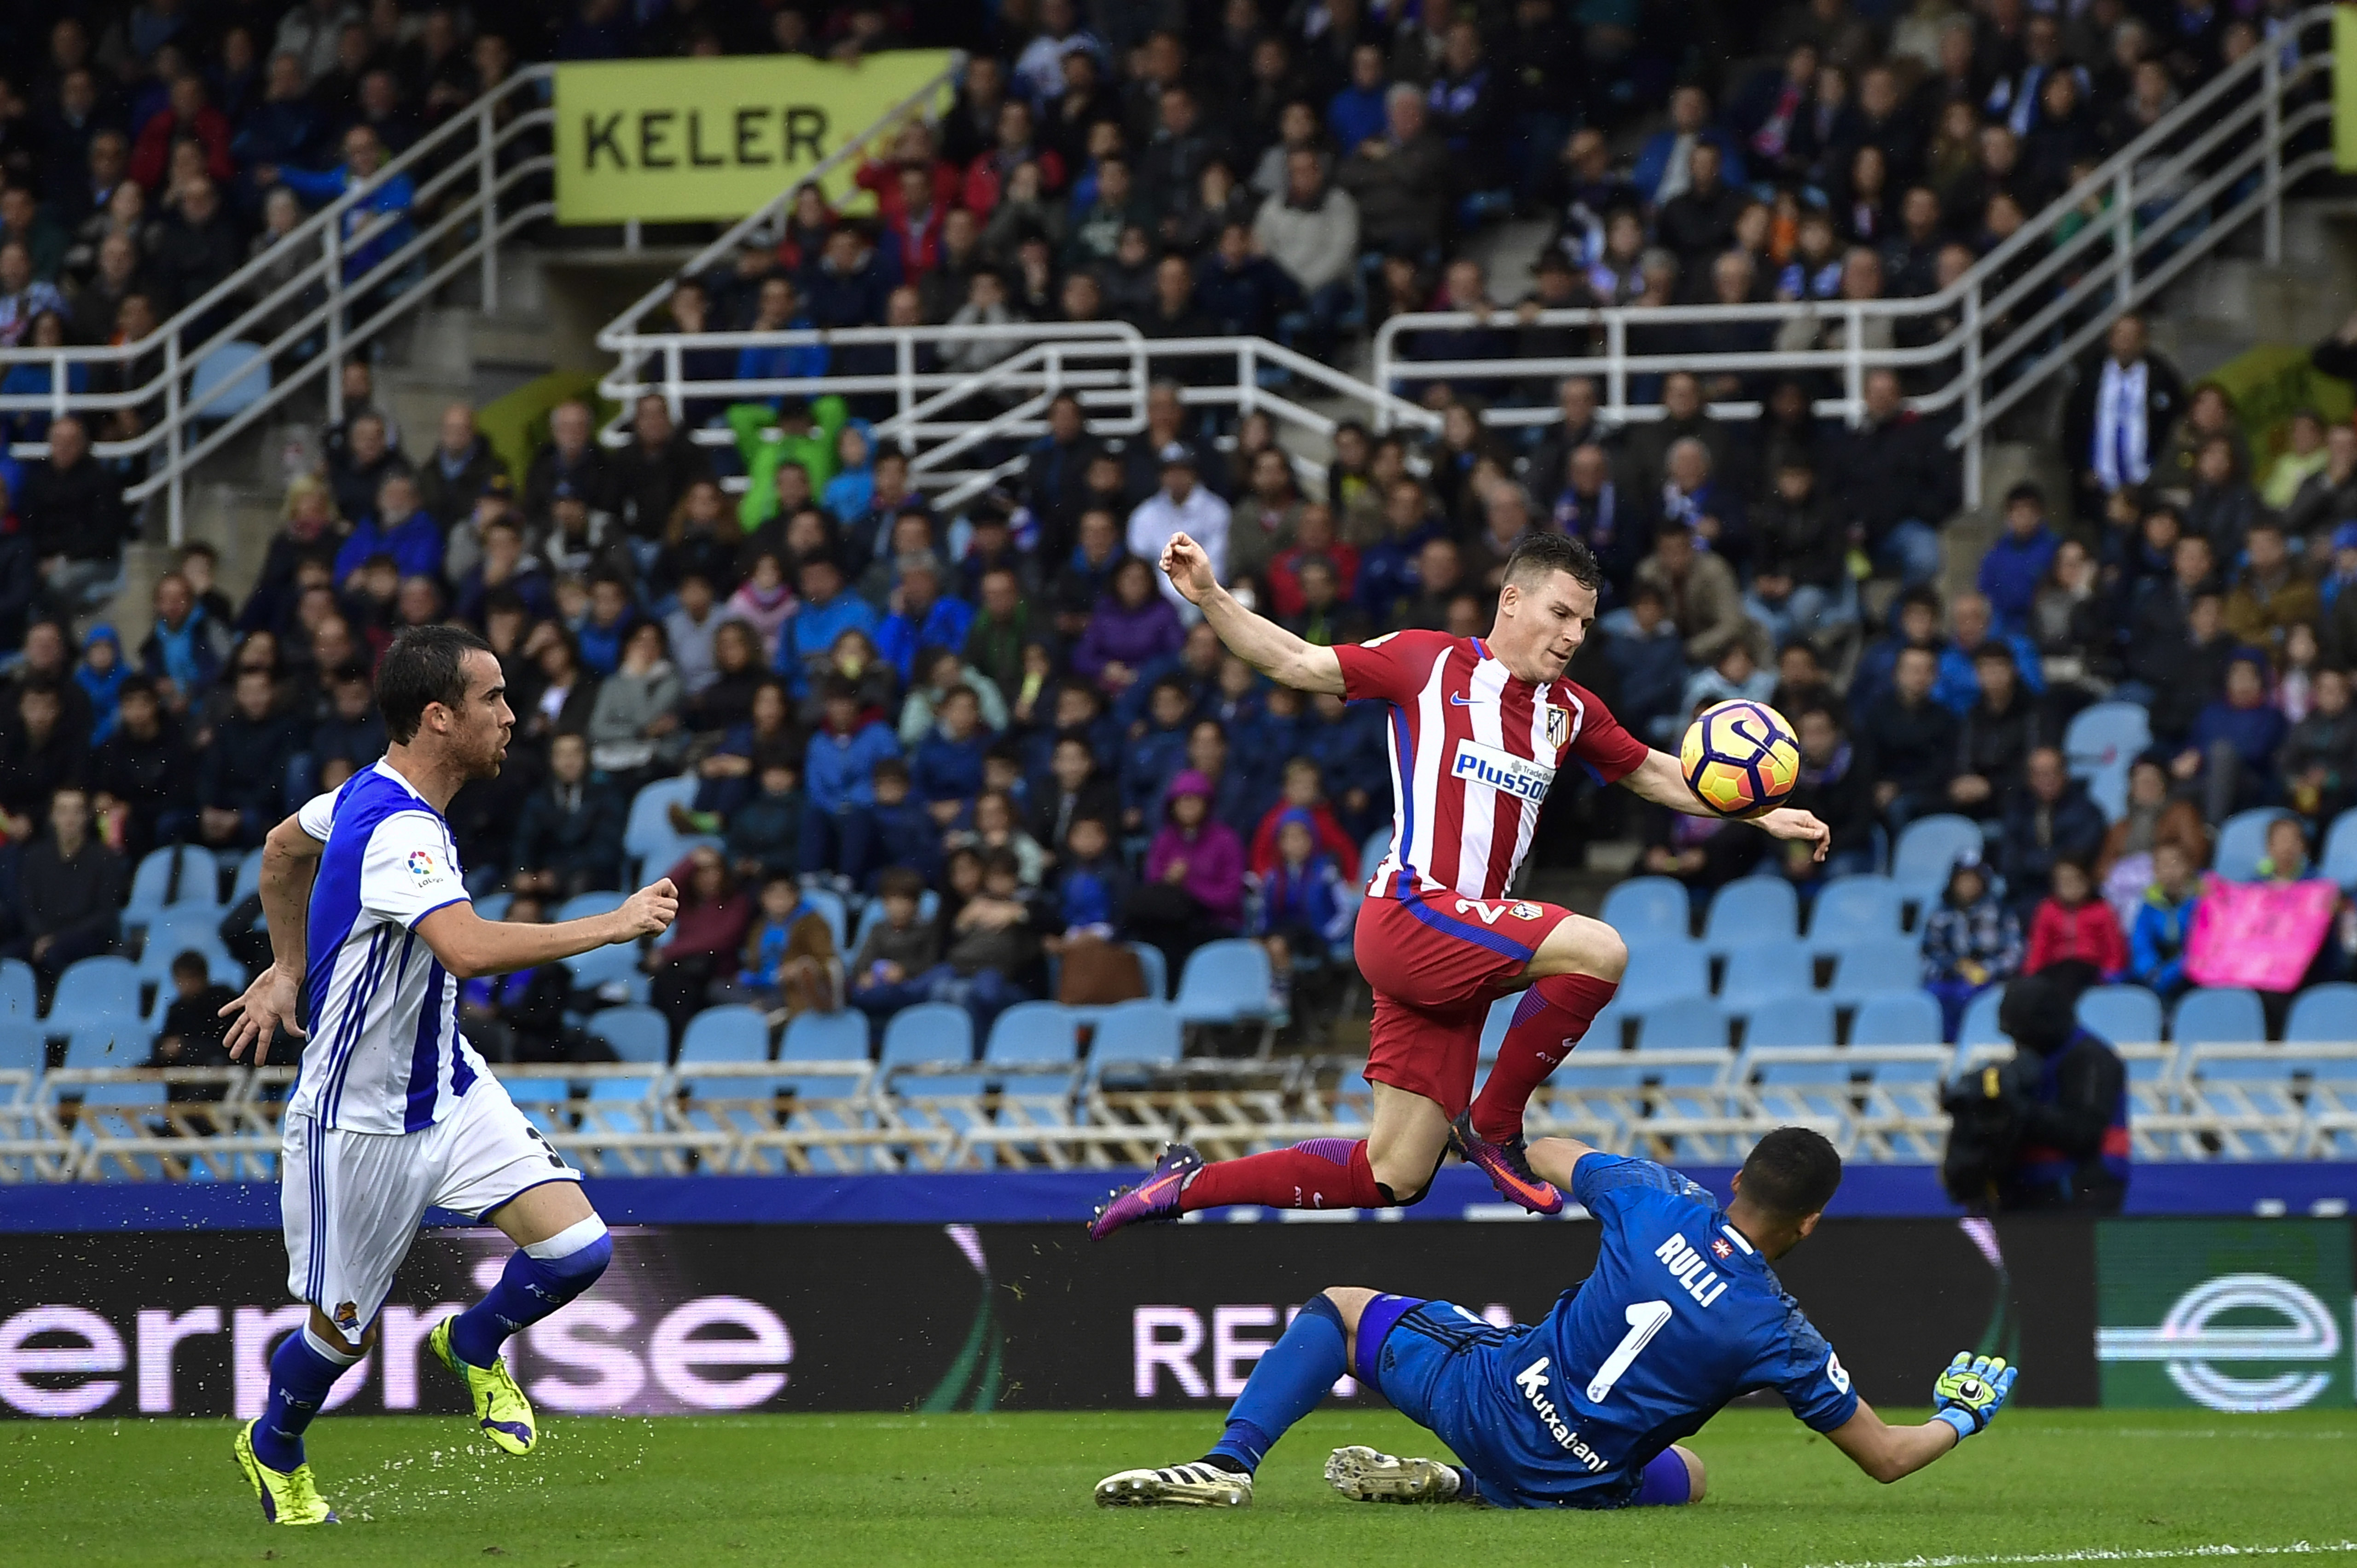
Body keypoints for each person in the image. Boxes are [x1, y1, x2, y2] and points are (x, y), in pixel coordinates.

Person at [1091, 532, 1830, 1237]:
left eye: (1585, 622)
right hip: (1410, 913)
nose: (1573, 635)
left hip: (1466, 950)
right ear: (1511, 601)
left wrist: (1762, 813)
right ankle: (1495, 1124)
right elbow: (1297, 662)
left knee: (1396, 1173)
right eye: (1560, 613)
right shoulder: (1428, 662)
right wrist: (1212, 596)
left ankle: (1184, 1185)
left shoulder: (1571, 709)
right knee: (1598, 949)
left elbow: (1654, 770)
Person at [215, 625, 680, 1527]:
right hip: (361, 1121)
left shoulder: (366, 792)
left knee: (578, 1249)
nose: (513, 715)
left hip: (448, 1083)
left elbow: (280, 847)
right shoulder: (397, 828)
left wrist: (285, 965)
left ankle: (471, 1340)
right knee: (340, 1334)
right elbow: (465, 948)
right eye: (495, 699)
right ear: (439, 716)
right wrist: (614, 924)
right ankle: (273, 1442)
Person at [1095, 1125, 2017, 1509]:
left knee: (1338, 1311)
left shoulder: (1656, 1198)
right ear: (1811, 1221)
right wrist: (1959, 1416)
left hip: (1492, 1396)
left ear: (1737, 1177)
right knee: (1689, 1471)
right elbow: (1888, 1458)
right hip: (1576, 1480)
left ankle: (1227, 1464)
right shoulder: (1781, 1333)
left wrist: (1480, 1134)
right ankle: (1469, 1489)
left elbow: (1548, 1147)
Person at [1943, 968, 2129, 1213]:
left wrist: (2017, 1109)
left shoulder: (2092, 1059)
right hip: (2030, 1191)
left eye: (2023, 1035)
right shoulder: (2033, 1059)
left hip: (2081, 1190)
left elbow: (2084, 1132)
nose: (2019, 1044)